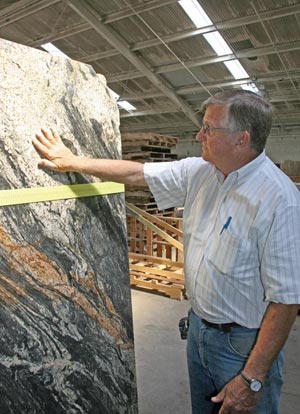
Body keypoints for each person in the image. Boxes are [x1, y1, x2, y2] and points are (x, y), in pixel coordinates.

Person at [32, 90, 300, 414]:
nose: (199, 135)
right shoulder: (201, 172)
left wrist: (252, 377)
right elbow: (135, 173)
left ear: (241, 140)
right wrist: (72, 162)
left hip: (242, 346)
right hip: (198, 330)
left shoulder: (278, 199)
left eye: (208, 129)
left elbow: (286, 299)